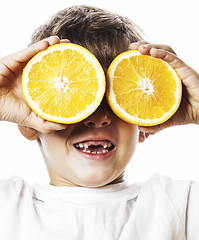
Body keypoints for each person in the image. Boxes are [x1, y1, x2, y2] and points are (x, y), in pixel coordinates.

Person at [0, 5, 198, 240]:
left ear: (145, 123)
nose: (98, 118)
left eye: (115, 97)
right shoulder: (8, 206)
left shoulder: (180, 205)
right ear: (28, 124)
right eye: (75, 98)